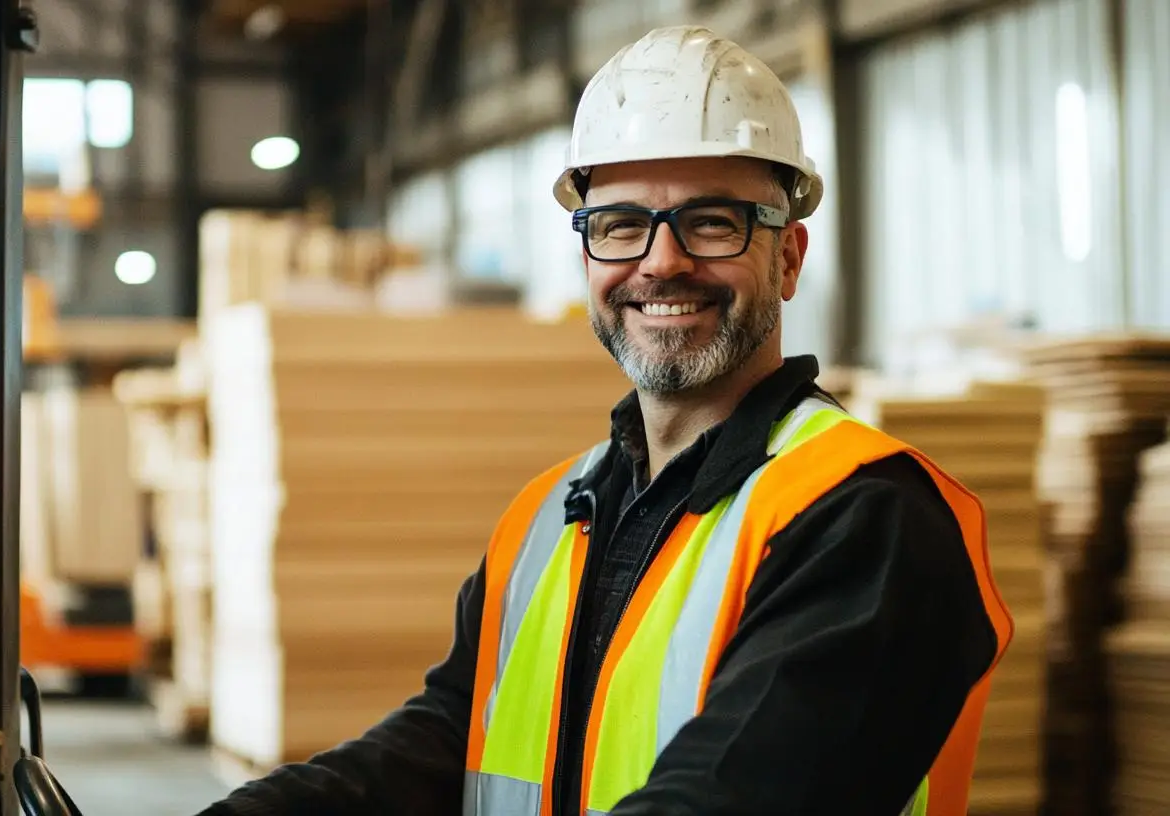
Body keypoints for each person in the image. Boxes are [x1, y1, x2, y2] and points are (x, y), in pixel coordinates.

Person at [198, 25, 1012, 816]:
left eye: (713, 220)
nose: (661, 261)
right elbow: (447, 741)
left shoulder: (868, 519)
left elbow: (731, 793)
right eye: (622, 225)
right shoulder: (545, 520)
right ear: (587, 256)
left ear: (788, 257)